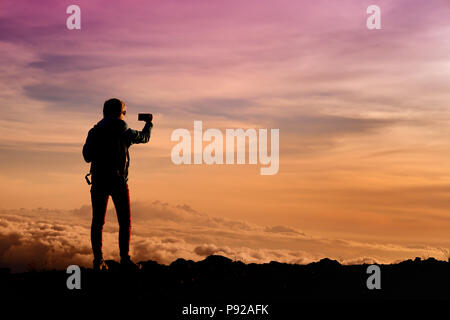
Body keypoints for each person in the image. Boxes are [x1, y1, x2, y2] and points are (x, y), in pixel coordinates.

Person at [82, 98, 153, 271]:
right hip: (119, 181)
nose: (124, 116)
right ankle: (125, 260)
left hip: (99, 181)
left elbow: (87, 156)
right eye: (124, 112)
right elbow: (144, 138)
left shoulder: (95, 131)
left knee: (98, 222)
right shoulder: (123, 129)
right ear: (118, 113)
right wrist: (149, 124)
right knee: (125, 222)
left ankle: (98, 261)